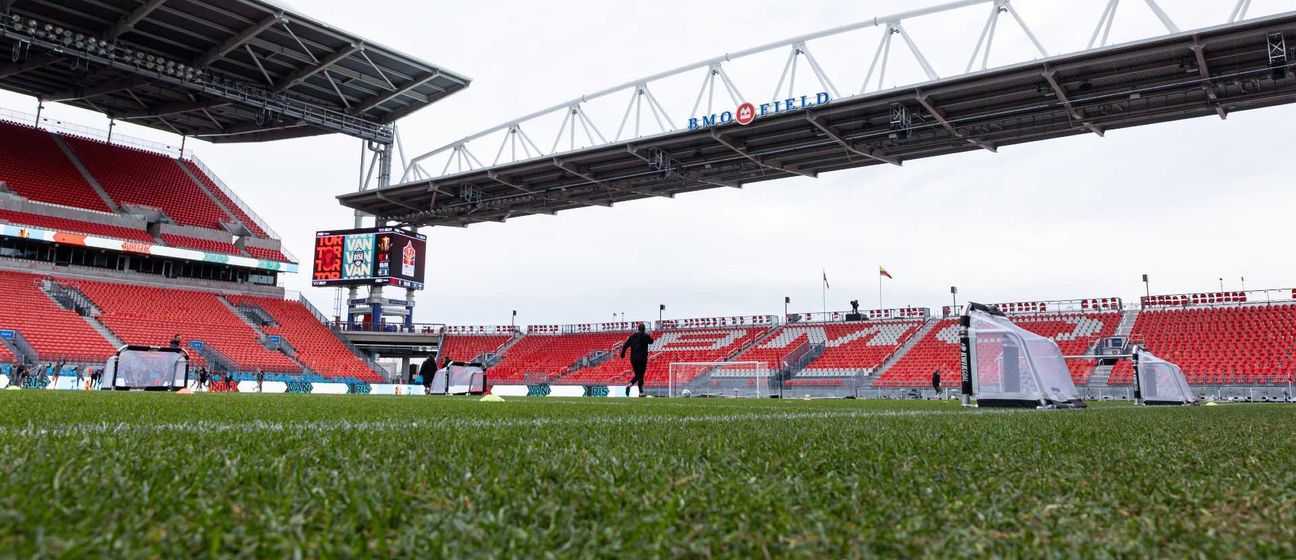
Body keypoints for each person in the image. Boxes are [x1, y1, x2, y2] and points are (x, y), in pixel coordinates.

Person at [620, 324, 654, 397]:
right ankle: (640, 392)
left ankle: (630, 385)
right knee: (640, 375)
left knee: (638, 375)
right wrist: (648, 335)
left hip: (634, 359)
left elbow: (625, 345)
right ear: (644, 329)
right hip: (642, 359)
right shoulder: (645, 336)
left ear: (638, 329)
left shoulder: (632, 336)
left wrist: (623, 353)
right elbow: (652, 341)